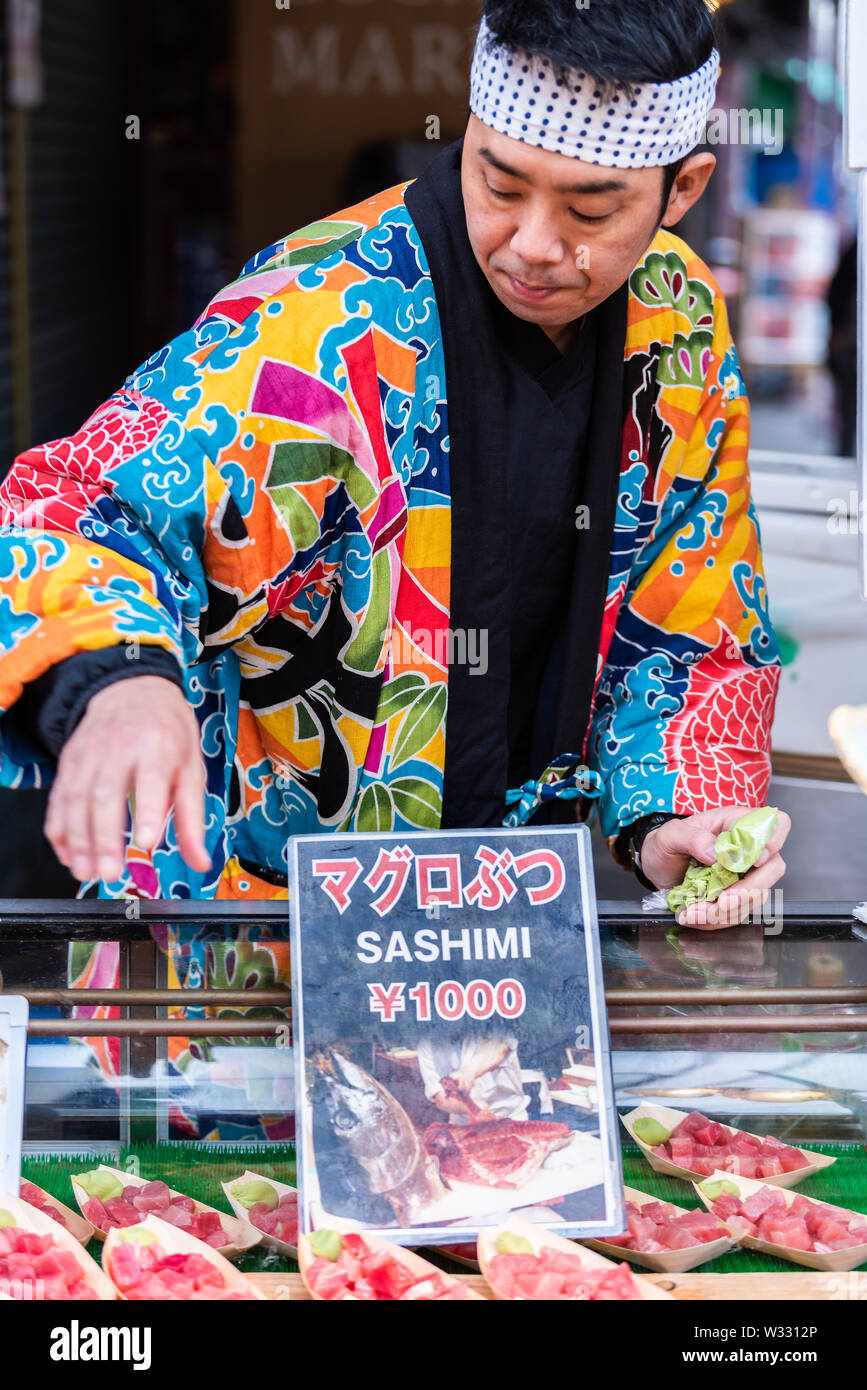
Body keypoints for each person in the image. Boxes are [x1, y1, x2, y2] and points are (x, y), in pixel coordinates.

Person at [0, 0, 790, 929]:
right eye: (498, 184)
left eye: (589, 207)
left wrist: (674, 817)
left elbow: (694, 617)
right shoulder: (320, 318)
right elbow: (75, 506)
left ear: (683, 189)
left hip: (506, 938)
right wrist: (123, 680)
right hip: (245, 930)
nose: (533, 244)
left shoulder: (679, 324)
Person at [416, 1035, 528, 1123]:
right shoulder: (427, 1042)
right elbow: (439, 1097)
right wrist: (471, 1107)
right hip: (463, 1124)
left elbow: (499, 1045)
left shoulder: (488, 1015)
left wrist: (470, 1072)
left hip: (510, 1118)